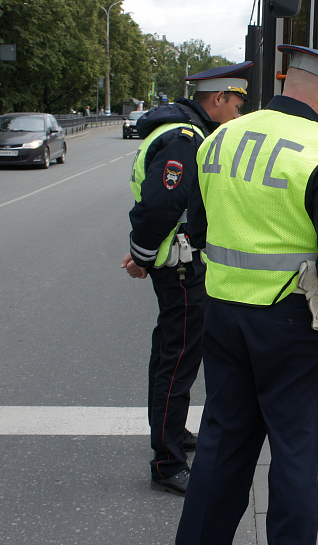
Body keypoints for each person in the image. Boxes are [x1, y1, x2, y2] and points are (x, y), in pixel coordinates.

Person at [175, 46, 318, 545]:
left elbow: (199, 230)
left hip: (223, 317)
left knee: (222, 443)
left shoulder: (219, 139)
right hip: (294, 328)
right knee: (295, 457)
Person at [120, 61, 252, 495]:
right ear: (217, 100)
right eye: (235, 106)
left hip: (178, 262)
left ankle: (173, 435)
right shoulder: (186, 138)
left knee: (174, 356)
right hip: (180, 268)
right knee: (176, 362)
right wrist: (142, 254)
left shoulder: (182, 131)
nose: (236, 115)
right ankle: (167, 462)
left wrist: (143, 250)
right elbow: (161, 205)